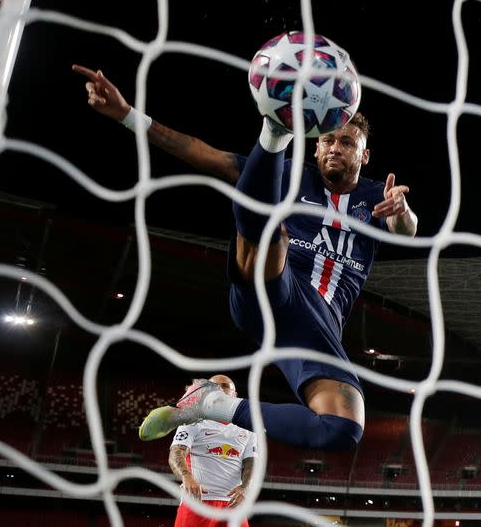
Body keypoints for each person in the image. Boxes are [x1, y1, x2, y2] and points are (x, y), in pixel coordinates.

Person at [72, 63, 418, 451]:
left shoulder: (376, 198)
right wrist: (126, 115)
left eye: (347, 143)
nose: (335, 148)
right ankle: (274, 131)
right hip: (272, 283)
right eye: (328, 141)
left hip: (312, 328)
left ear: (364, 154)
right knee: (273, 227)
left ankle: (212, 404)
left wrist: (401, 211)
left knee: (342, 428)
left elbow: (407, 229)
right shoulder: (290, 176)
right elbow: (207, 156)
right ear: (317, 146)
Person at [168, 374, 256, 527]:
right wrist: (186, 477)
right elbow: (176, 454)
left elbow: (251, 462)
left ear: (234, 395)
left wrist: (245, 487)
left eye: (225, 386)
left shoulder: (248, 426)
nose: (220, 389)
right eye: (215, 386)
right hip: (197, 503)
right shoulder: (192, 421)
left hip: (232, 506)